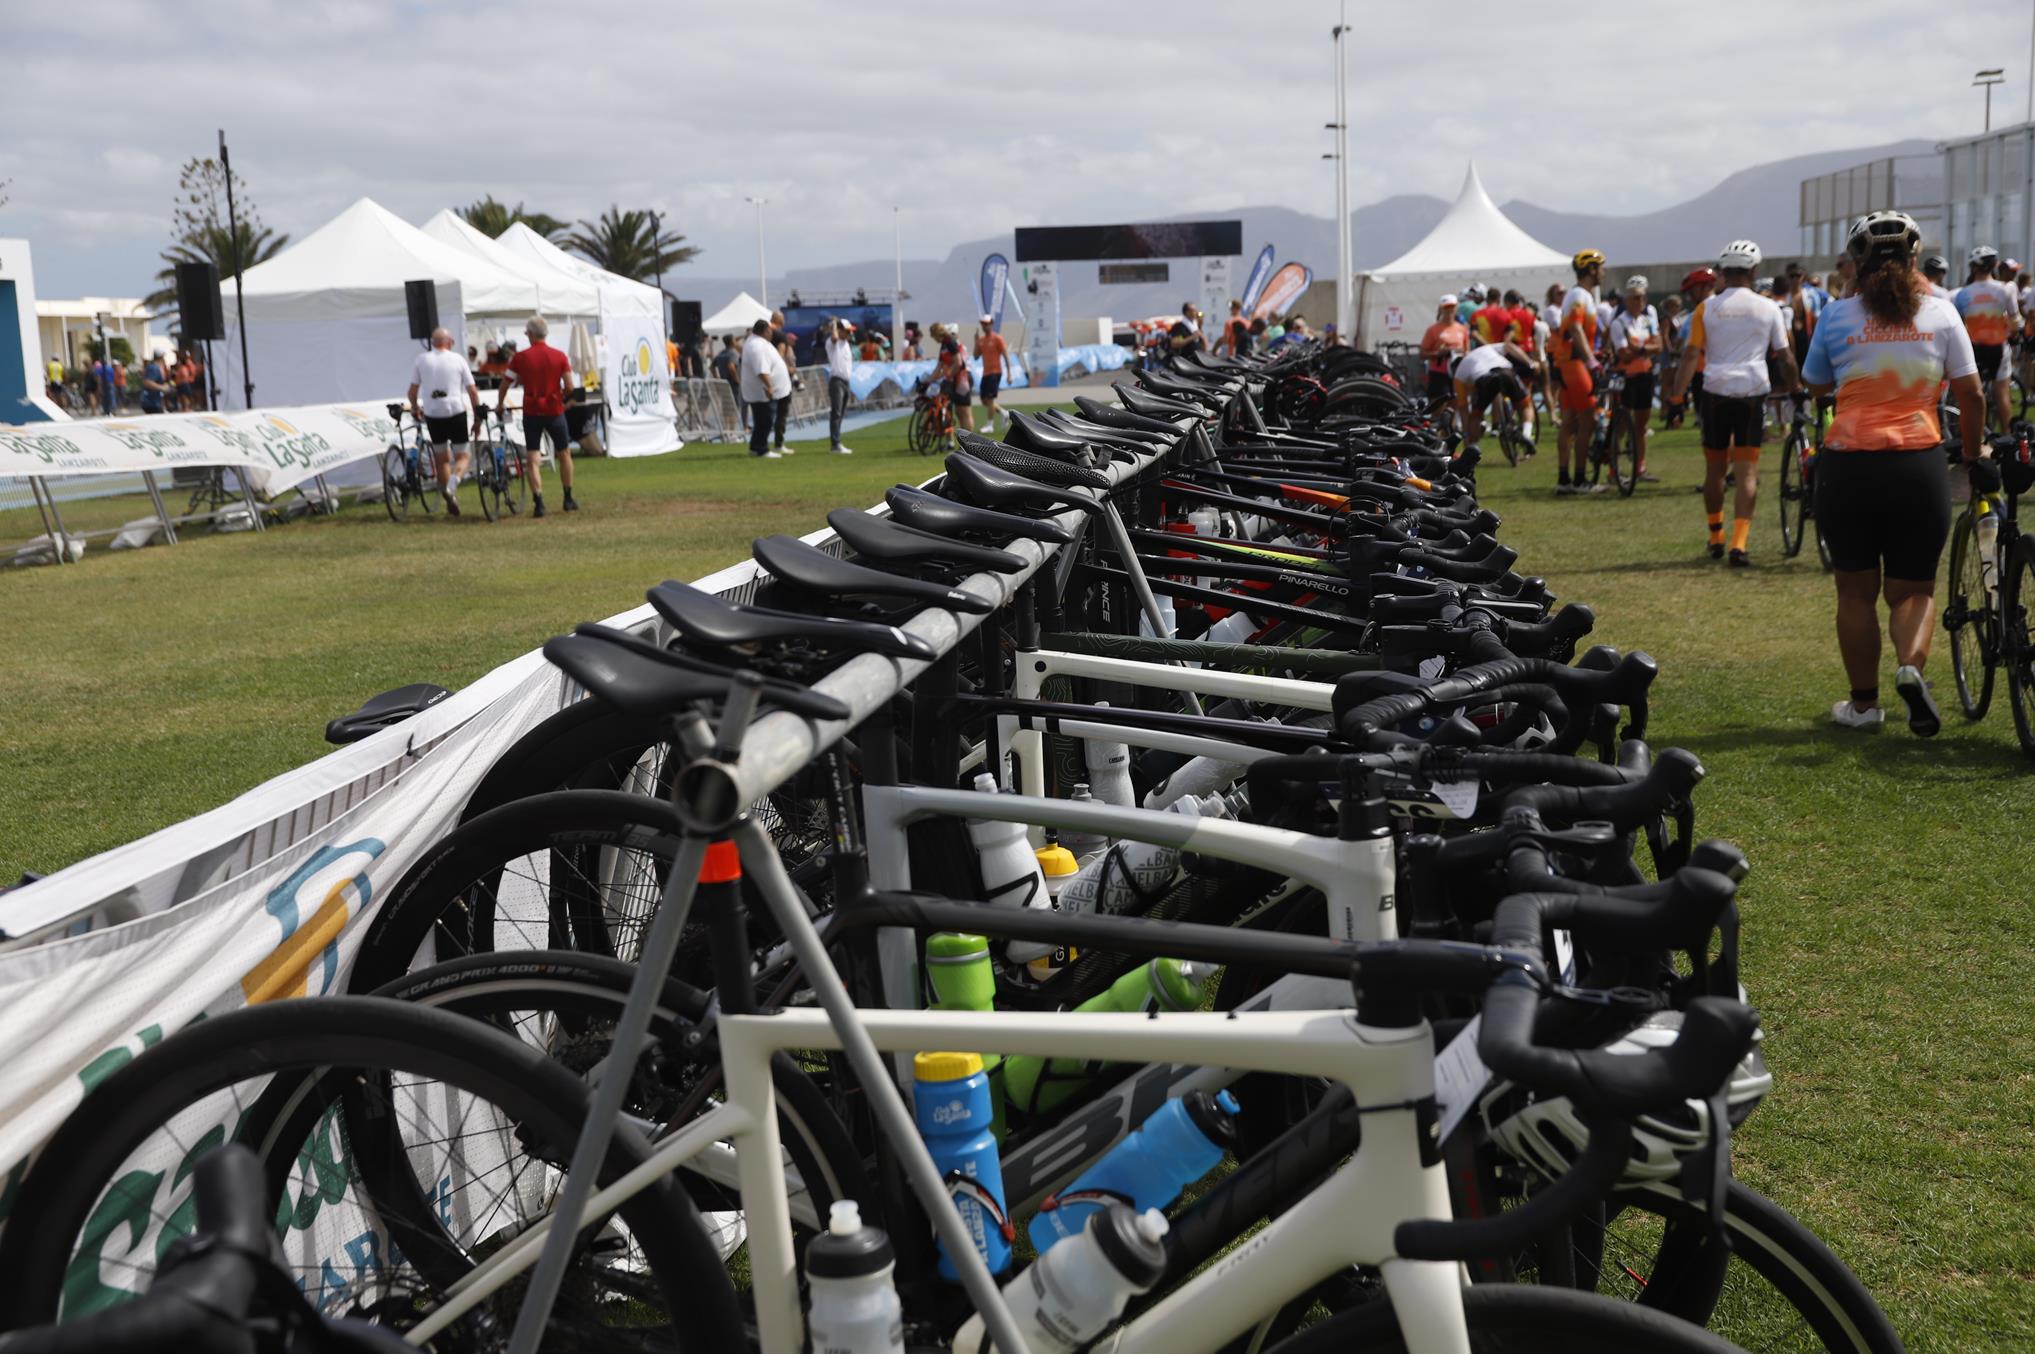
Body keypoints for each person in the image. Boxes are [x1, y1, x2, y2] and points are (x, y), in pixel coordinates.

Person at [1800, 210, 1984, 734]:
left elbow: (1815, 384)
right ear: (1914, 259)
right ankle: (1910, 668)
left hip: (1849, 467)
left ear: (1856, 263)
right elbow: (1970, 393)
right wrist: (1972, 455)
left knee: (1854, 592)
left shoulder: (1836, 316)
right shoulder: (1942, 313)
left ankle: (1863, 706)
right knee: (1913, 591)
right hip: (1918, 464)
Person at [1665, 239, 1797, 566]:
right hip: (1753, 389)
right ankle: (1740, 543)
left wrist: (1677, 397)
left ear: (1723, 271)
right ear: (1753, 271)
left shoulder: (1705, 308)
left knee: (1714, 469)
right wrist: (1795, 387)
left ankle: (1715, 536)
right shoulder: (1768, 308)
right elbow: (1784, 356)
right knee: (1747, 471)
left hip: (1715, 391)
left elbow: (1691, 354)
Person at [498, 315, 577, 516]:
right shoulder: (559, 356)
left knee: (533, 456)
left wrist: (500, 403)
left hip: (532, 411)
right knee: (564, 453)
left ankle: (539, 502)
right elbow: (569, 386)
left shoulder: (521, 358)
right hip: (554, 410)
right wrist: (560, 398)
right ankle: (567, 498)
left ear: (531, 335)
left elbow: (506, 383)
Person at [409, 326, 481, 515]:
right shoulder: (458, 359)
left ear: (433, 343)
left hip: (433, 414)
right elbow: (472, 390)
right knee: (463, 456)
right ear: (449, 342)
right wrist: (478, 416)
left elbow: (412, 391)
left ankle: (450, 498)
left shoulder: (421, 360)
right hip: (455, 411)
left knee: (441, 459)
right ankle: (453, 484)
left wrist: (415, 408)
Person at [1552, 248, 1607, 496]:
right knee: (1589, 419)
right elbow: (1575, 328)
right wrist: (1591, 360)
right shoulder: (1579, 295)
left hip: (1567, 363)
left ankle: (1564, 479)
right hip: (1574, 363)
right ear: (1591, 269)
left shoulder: (1580, 295)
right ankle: (1580, 479)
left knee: (1570, 421)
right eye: (1601, 267)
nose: (1603, 272)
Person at [1954, 245, 2016, 432]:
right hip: (1999, 346)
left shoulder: (1963, 294)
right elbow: (2014, 318)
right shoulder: (2004, 289)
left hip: (1974, 348)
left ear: (1974, 267)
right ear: (1994, 266)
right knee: (2002, 394)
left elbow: (1959, 324)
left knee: (1974, 396)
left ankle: (1975, 438)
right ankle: (2009, 439)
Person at [1606, 276, 1661, 481]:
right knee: (1620, 426)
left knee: (1641, 426)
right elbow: (1623, 353)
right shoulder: (1619, 322)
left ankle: (1640, 468)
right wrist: (1646, 350)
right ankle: (1613, 470)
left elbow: (1659, 345)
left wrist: (1640, 348)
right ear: (1626, 301)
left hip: (1645, 376)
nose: (1638, 303)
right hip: (1626, 377)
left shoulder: (1646, 320)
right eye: (1634, 299)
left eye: (1641, 299)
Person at [1451, 340, 1539, 455]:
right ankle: (1526, 435)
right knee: (1526, 405)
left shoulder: (1458, 375)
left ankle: (1472, 449)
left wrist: (1467, 435)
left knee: (1475, 416)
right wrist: (1529, 362)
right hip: (1505, 371)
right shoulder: (1484, 349)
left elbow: (1463, 409)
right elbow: (1509, 346)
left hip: (1484, 379)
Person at [739, 317, 788, 459]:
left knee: (761, 421)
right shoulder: (757, 346)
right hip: (761, 391)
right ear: (766, 331)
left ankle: (755, 447)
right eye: (770, 331)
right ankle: (762, 449)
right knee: (765, 420)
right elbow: (761, 369)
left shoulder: (756, 343)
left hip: (759, 390)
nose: (772, 334)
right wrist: (770, 386)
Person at [1419, 295, 1471, 409]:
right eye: (1446, 307)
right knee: (1438, 407)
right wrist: (1439, 353)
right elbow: (1422, 354)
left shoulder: (1462, 329)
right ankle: (1438, 426)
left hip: (1457, 372)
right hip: (1439, 373)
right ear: (1441, 309)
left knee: (1455, 406)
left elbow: (1467, 352)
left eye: (1452, 307)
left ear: (1456, 308)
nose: (1449, 311)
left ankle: (1452, 426)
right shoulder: (1433, 329)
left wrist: (1458, 352)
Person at [931, 323, 976, 435]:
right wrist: (929, 380)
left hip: (963, 378)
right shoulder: (944, 344)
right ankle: (964, 441)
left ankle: (971, 442)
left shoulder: (950, 342)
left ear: (937, 334)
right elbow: (939, 367)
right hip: (957, 378)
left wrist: (948, 375)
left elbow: (959, 362)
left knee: (965, 412)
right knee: (959, 412)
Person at [824, 317, 856, 455]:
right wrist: (835, 326)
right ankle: (835, 444)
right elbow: (834, 338)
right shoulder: (833, 343)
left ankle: (837, 441)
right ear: (840, 331)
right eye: (847, 331)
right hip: (836, 381)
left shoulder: (846, 344)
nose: (849, 334)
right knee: (836, 413)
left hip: (845, 381)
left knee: (841, 413)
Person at [975, 315, 1010, 433]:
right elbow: (975, 356)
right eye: (983, 324)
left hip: (995, 372)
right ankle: (1004, 413)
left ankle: (990, 425)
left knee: (990, 399)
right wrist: (976, 341)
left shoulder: (997, 338)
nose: (984, 326)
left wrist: (1009, 373)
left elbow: (1005, 355)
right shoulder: (981, 340)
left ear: (991, 324)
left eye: (986, 323)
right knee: (984, 401)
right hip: (985, 373)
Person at [768, 311, 796, 453]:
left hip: (765, 376)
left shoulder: (763, 338)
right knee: (781, 413)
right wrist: (788, 369)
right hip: (779, 378)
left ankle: (763, 444)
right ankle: (779, 444)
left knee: (767, 413)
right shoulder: (780, 336)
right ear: (779, 320)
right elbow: (779, 357)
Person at [711, 334, 744, 427]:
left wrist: (716, 378)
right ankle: (732, 430)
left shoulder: (721, 353)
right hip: (732, 384)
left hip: (723, 383)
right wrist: (737, 380)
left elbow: (711, 367)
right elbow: (731, 367)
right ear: (732, 342)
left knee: (726, 408)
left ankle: (727, 429)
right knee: (734, 407)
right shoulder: (733, 353)